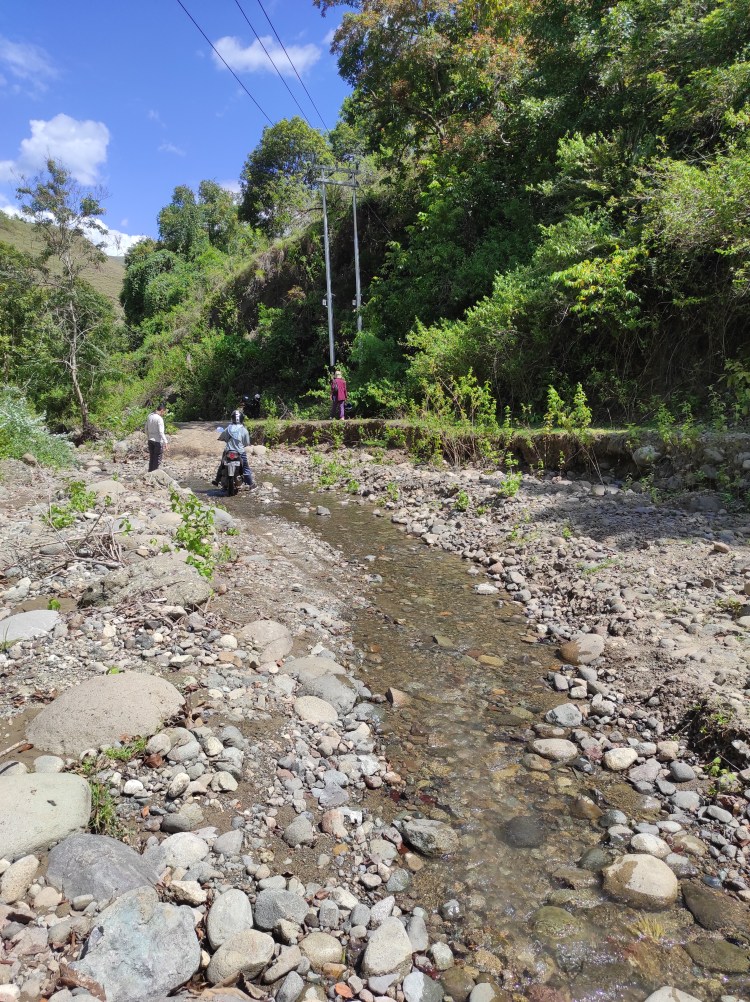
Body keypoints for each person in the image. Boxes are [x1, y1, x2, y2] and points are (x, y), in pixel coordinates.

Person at [212, 409, 255, 488]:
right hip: (240, 452)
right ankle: (251, 484)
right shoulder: (244, 430)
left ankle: (217, 480)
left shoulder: (228, 428)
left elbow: (222, 437)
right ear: (242, 419)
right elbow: (246, 443)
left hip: (228, 451)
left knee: (222, 465)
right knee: (245, 468)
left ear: (232, 418)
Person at [145, 403, 168, 472]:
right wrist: (166, 442)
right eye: (164, 412)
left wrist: (148, 437)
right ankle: (154, 475)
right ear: (161, 410)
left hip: (150, 440)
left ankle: (149, 473)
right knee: (157, 459)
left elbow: (146, 428)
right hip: (157, 441)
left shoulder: (149, 416)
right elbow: (161, 432)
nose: (163, 414)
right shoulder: (159, 419)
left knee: (152, 458)